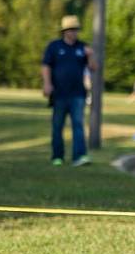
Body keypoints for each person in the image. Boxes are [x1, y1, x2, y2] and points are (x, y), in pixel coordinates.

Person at [42, 15, 98, 166]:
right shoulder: (54, 47)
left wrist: (91, 55)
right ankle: (57, 156)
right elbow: (46, 66)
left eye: (76, 30)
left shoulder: (82, 47)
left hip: (78, 94)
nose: (75, 33)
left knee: (78, 125)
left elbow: (93, 68)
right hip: (59, 93)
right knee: (57, 126)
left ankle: (79, 156)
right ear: (65, 31)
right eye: (72, 30)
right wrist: (47, 84)